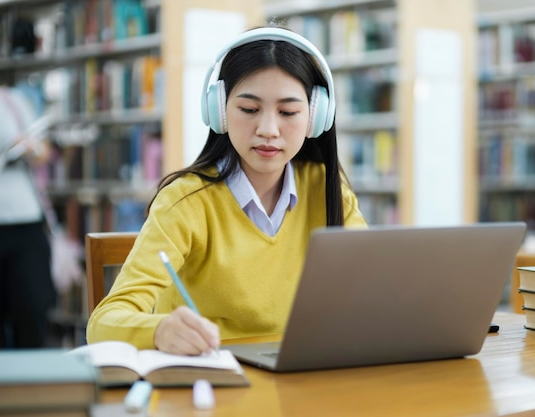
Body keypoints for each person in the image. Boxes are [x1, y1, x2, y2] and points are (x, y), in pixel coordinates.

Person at [86, 26, 367, 355]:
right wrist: (159, 330)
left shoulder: (328, 190)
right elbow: (103, 323)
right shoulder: (185, 201)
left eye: (288, 112)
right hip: (212, 381)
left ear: (315, 117)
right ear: (218, 111)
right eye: (249, 110)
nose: (268, 130)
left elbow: (373, 292)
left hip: (301, 379)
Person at [0, 85, 56, 348]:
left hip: (26, 223)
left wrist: (27, 148)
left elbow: (43, 152)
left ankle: (34, 387)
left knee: (32, 313)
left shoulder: (12, 100)